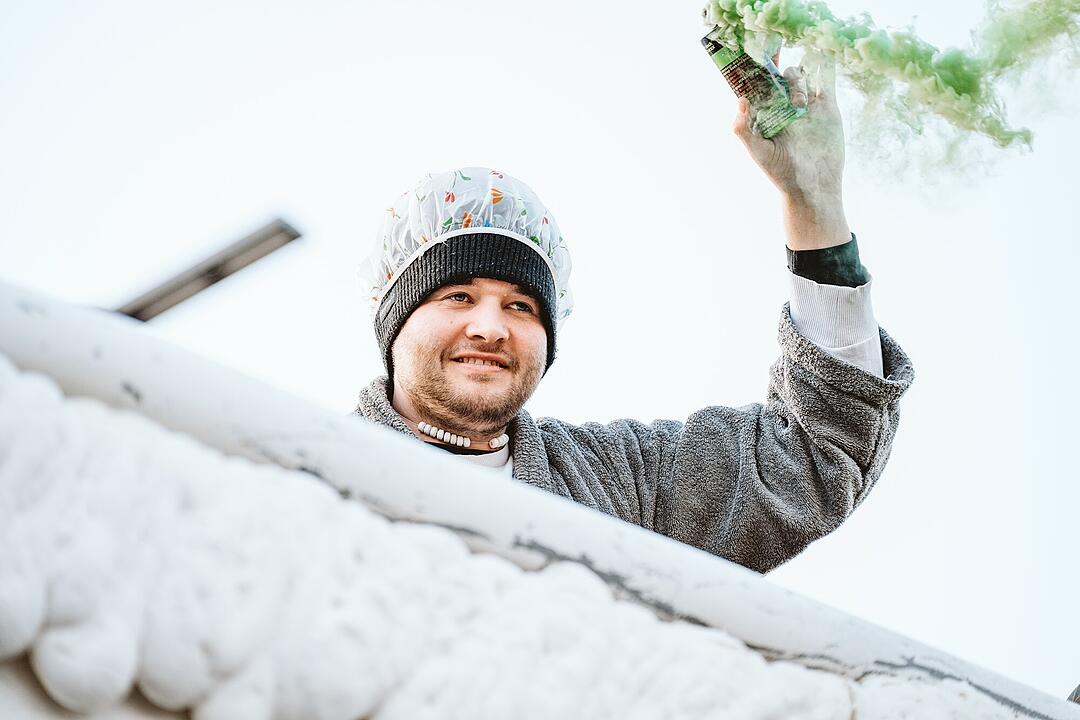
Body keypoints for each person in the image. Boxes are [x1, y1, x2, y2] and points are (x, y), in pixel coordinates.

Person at [355, 59, 914, 573]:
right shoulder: (305, 476)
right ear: (394, 320)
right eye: (458, 296)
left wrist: (813, 200)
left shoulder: (621, 483)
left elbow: (810, 457)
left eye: (521, 306)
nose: (492, 327)